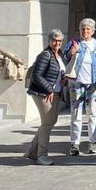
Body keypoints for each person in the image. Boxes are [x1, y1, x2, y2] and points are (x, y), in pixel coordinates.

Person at [63, 18, 96, 156]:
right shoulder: (74, 43)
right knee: (76, 114)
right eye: (83, 29)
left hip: (92, 84)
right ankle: (75, 144)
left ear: (93, 31)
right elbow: (65, 57)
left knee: (92, 114)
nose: (85, 31)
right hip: (77, 83)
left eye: (88, 29)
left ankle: (92, 142)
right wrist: (73, 52)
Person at [24, 29, 67, 166]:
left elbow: (59, 73)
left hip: (55, 93)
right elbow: (37, 75)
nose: (57, 43)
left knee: (50, 121)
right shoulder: (45, 55)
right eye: (54, 40)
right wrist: (49, 89)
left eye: (60, 41)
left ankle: (32, 151)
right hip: (43, 93)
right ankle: (41, 155)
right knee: (47, 123)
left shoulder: (59, 55)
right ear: (49, 41)